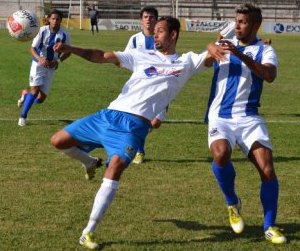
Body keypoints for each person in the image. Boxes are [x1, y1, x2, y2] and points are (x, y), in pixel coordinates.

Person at [51, 16, 211, 250]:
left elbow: (211, 57)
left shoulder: (186, 62)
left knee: (114, 168)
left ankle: (88, 231)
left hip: (133, 127)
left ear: (174, 34)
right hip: (108, 115)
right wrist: (72, 49)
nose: (154, 35)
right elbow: (102, 56)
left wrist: (216, 46)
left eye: (160, 31)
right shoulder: (141, 55)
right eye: (153, 31)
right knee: (58, 141)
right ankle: (89, 162)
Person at [205, 4, 286, 244]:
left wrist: (240, 54)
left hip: (249, 117)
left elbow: (269, 75)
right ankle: (232, 202)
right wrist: (211, 48)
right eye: (236, 21)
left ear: (255, 25)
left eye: (243, 22)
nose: (238, 25)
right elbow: (207, 60)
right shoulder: (224, 45)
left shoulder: (265, 50)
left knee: (267, 169)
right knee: (220, 155)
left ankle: (269, 226)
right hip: (221, 115)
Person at [125, 6, 166, 164]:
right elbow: (127, 58)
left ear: (156, 20)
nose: (149, 20)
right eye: (146, 17)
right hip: (141, 87)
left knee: (155, 123)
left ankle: (136, 139)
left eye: (151, 17)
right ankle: (139, 151)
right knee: (140, 119)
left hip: (161, 85)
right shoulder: (135, 39)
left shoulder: (163, 38)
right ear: (141, 20)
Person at [17, 9, 71, 126]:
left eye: (57, 19)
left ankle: (25, 95)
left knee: (40, 99)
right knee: (35, 91)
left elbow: (69, 51)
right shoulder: (41, 31)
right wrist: (40, 59)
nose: (55, 21)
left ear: (61, 20)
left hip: (51, 67)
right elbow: (32, 49)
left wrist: (58, 61)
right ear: (48, 20)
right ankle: (23, 117)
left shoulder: (65, 34)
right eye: (53, 18)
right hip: (38, 64)